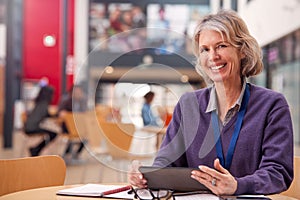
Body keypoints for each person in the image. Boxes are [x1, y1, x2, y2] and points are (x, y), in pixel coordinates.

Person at [128, 9, 294, 196]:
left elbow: (278, 172)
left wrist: (238, 185)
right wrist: (147, 176)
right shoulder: (188, 104)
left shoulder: (272, 105)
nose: (213, 56)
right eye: (205, 49)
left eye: (221, 46)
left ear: (242, 50)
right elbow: (167, 162)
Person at [24, 85, 58, 156]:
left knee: (50, 133)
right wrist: (57, 114)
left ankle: (35, 149)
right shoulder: (44, 104)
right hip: (32, 128)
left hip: (28, 127)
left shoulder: (39, 103)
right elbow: (47, 115)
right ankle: (36, 149)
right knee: (53, 134)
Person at [58, 85, 87, 160]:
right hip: (67, 127)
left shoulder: (82, 102)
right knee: (73, 137)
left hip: (79, 127)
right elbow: (60, 113)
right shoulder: (66, 101)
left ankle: (75, 154)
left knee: (86, 136)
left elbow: (85, 114)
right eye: (76, 92)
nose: (78, 94)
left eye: (79, 92)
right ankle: (68, 153)